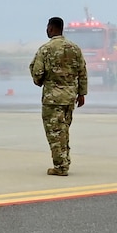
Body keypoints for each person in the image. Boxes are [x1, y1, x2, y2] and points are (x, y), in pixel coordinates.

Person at [28, 16, 87, 176]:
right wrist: (82, 93)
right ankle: (64, 161)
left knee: (55, 133)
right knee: (64, 131)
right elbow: (82, 72)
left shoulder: (45, 49)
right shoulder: (74, 48)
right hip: (69, 98)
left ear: (52, 28)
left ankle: (60, 167)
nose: (47, 30)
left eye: (48, 27)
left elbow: (37, 72)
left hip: (52, 99)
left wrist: (38, 80)